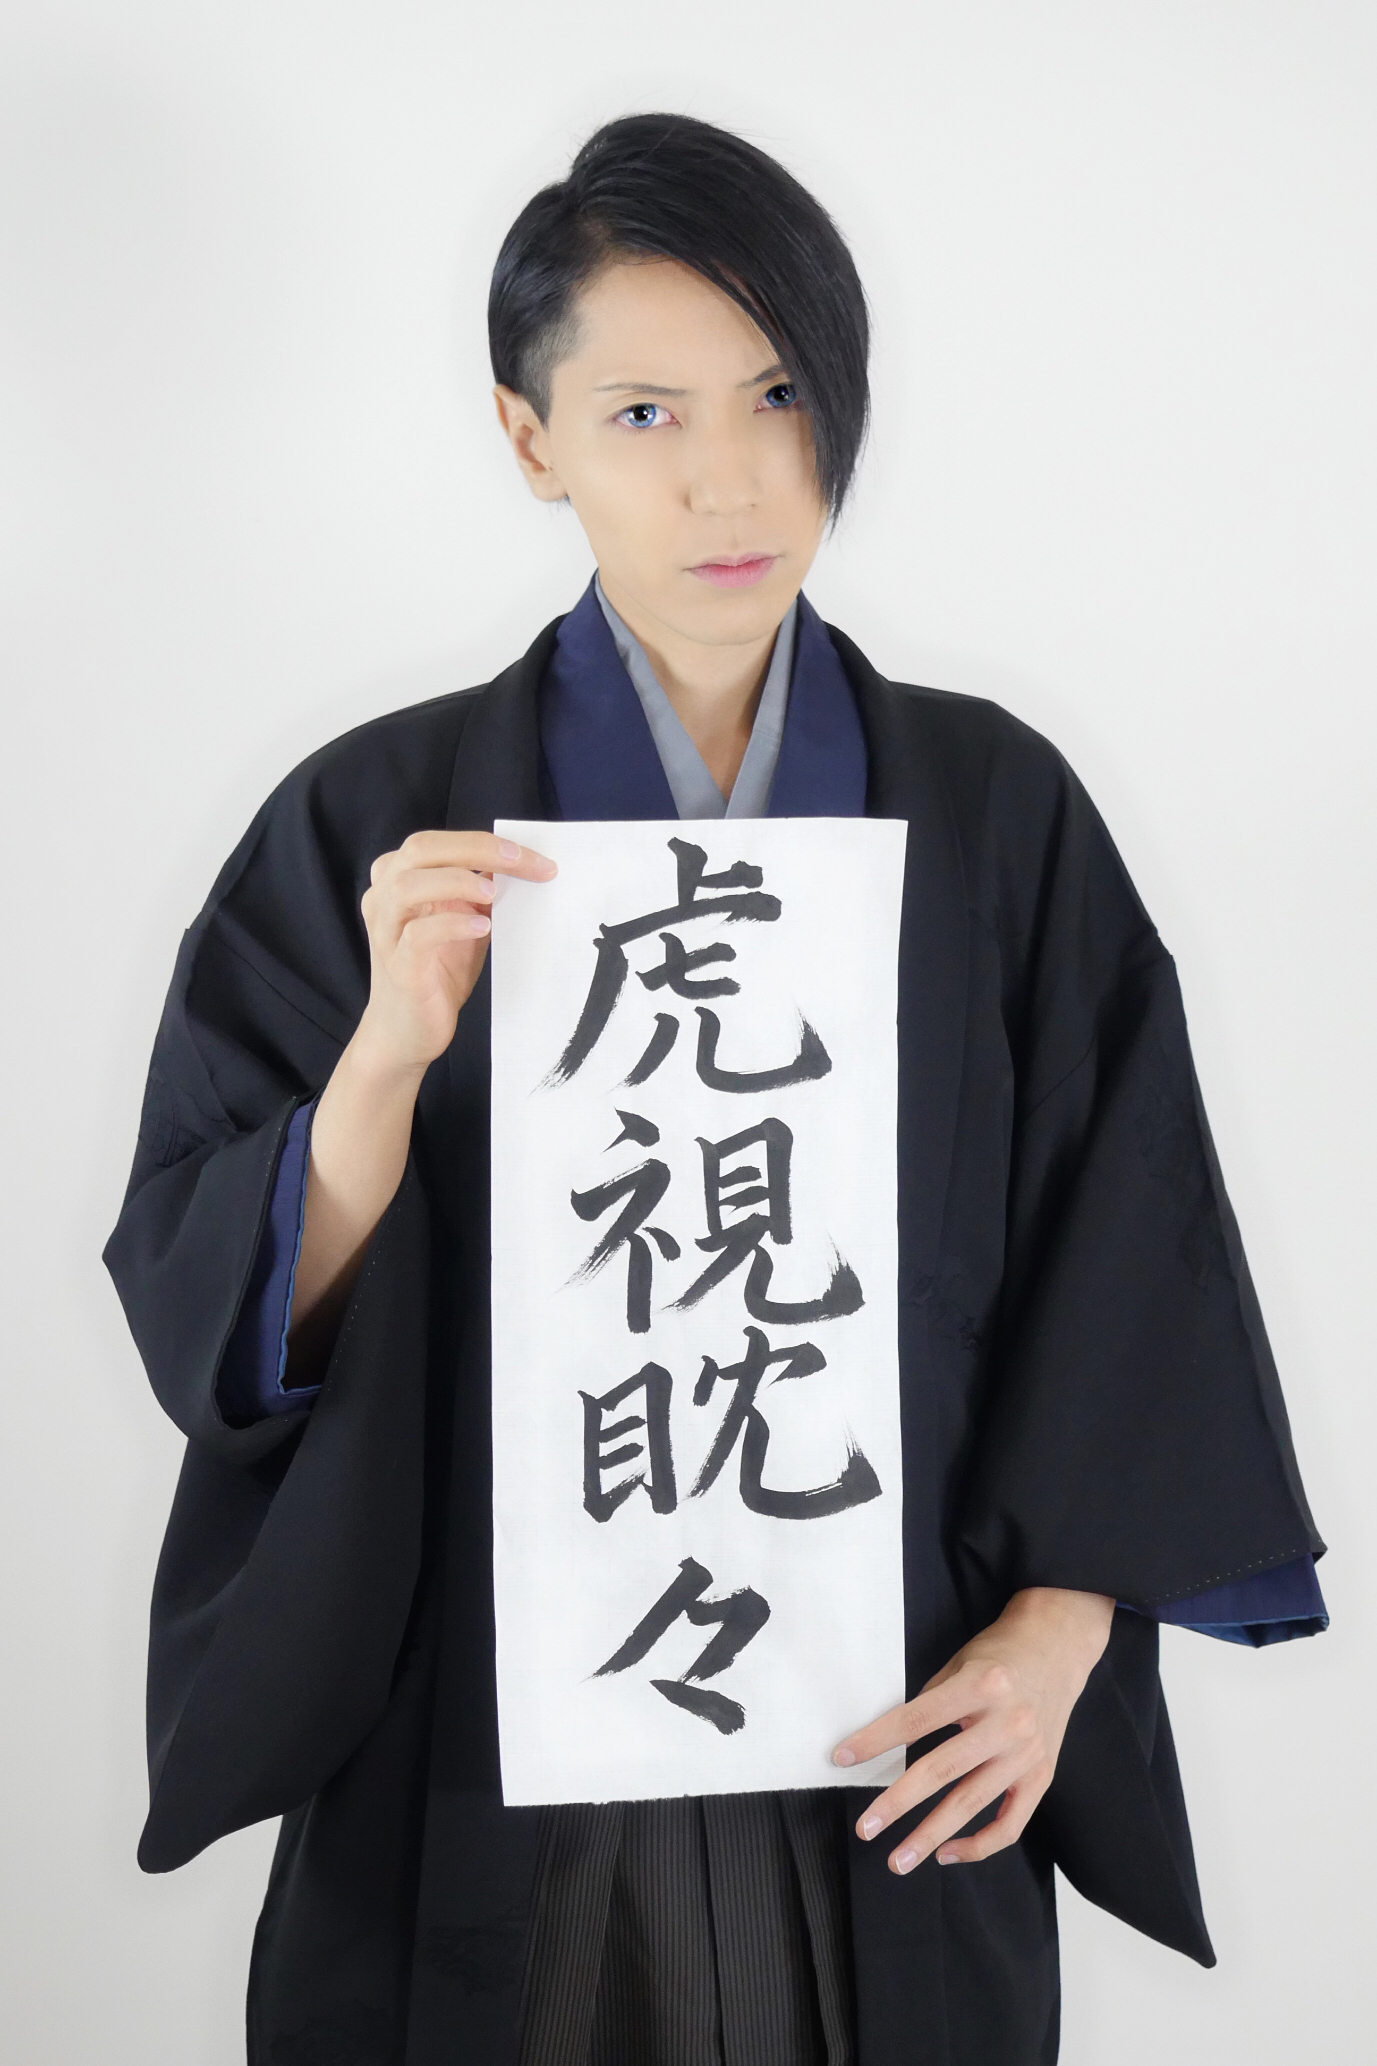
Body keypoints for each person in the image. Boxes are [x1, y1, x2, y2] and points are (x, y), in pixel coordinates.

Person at [105, 114, 1327, 2066]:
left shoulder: (993, 816)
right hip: (479, 1738)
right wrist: (383, 1062)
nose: (730, 475)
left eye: (778, 394)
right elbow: (221, 1314)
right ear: (530, 439)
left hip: (880, 1732)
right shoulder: (372, 822)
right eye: (643, 413)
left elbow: (1132, 1269)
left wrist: (1060, 1630)